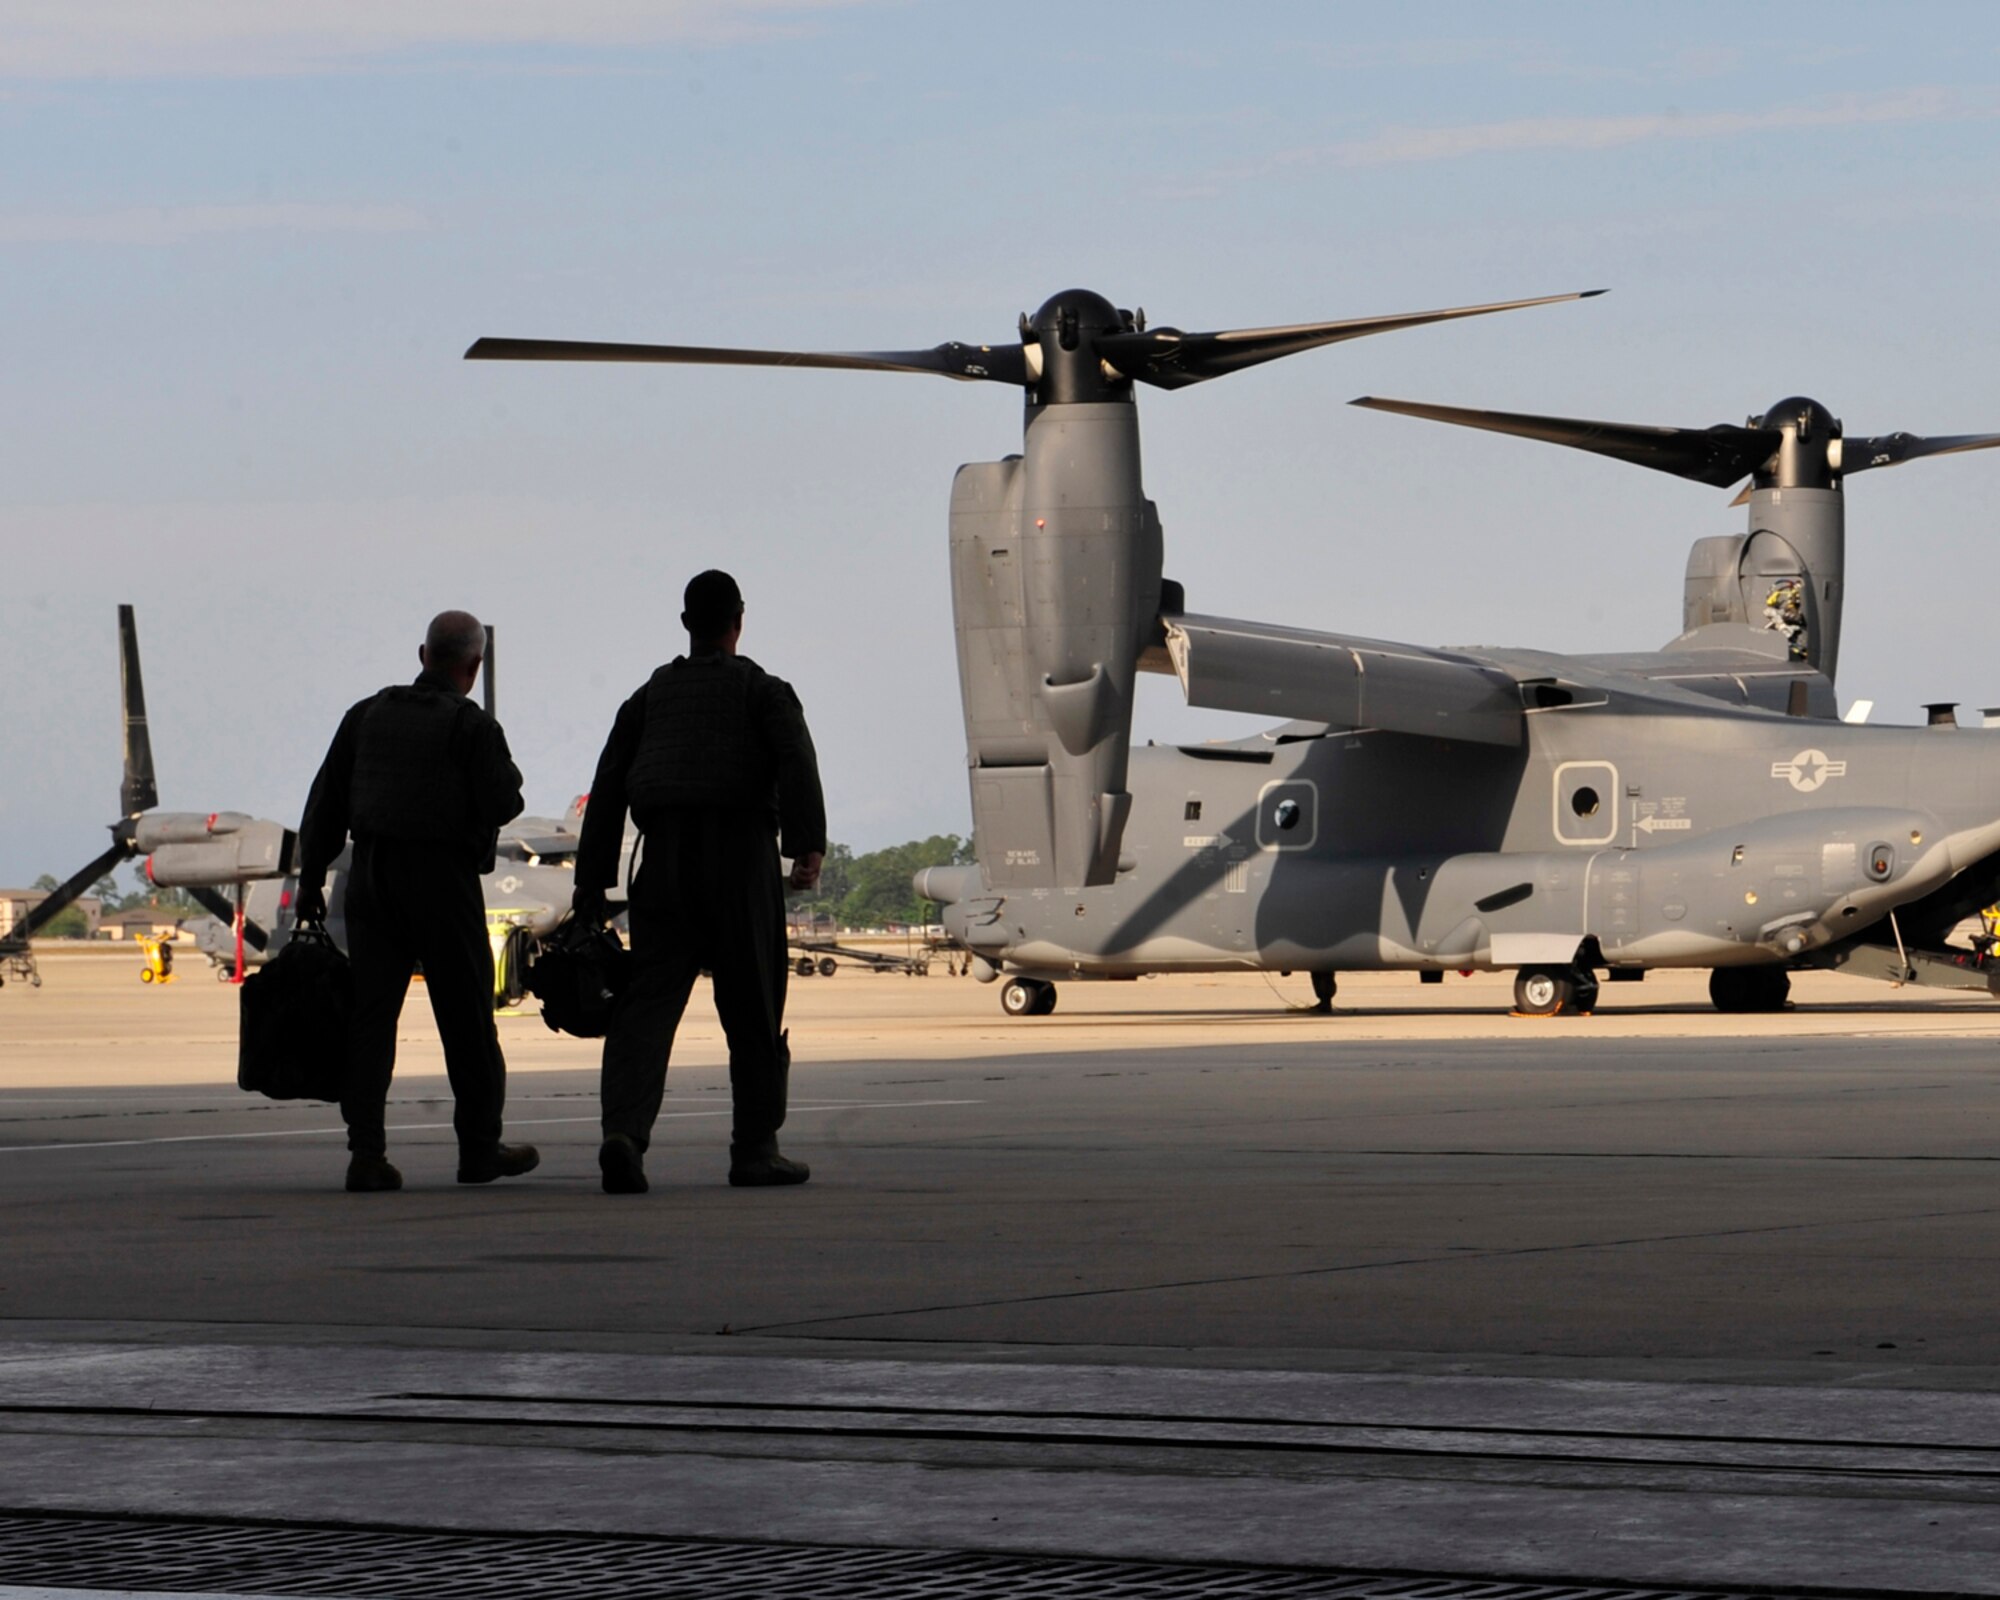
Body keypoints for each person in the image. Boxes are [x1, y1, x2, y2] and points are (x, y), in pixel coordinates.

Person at [574, 570, 826, 1195]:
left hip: (663, 861)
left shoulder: (648, 698)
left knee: (647, 1006)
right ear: (739, 620)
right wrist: (805, 847)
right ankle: (754, 1150)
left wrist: (591, 886)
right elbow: (795, 757)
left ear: (685, 623)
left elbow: (607, 790)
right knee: (753, 1006)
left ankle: (624, 1136)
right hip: (741, 858)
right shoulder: (764, 692)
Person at [296, 610, 540, 1193]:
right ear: (473, 667)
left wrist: (310, 881)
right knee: (467, 1020)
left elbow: (325, 802)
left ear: (423, 654)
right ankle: (479, 1149)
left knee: (372, 1018)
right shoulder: (471, 726)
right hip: (440, 880)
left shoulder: (367, 714)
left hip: (371, 876)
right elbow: (505, 801)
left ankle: (366, 1154)